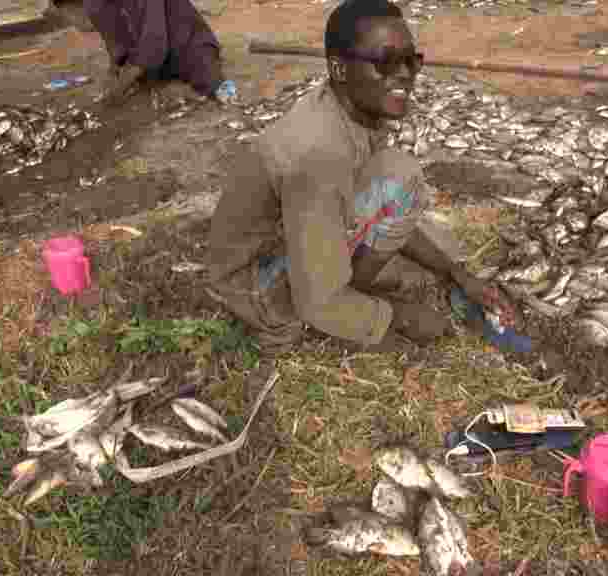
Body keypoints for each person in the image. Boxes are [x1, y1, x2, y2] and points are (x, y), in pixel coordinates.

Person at [204, 0, 519, 354]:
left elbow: (378, 203)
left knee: (401, 186)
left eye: (410, 60)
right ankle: (331, 305)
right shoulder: (321, 154)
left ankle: (351, 288)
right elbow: (316, 302)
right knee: (400, 182)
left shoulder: (351, 110)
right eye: (385, 62)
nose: (404, 74)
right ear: (339, 69)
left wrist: (455, 272)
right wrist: (395, 317)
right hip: (255, 283)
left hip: (295, 234)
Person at [84, 0, 237, 105]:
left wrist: (123, 82)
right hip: (145, 51)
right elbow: (113, 40)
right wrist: (115, 69)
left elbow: (154, 43)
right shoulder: (94, 4)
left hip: (185, 42)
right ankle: (151, 74)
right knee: (142, 82)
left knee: (208, 76)